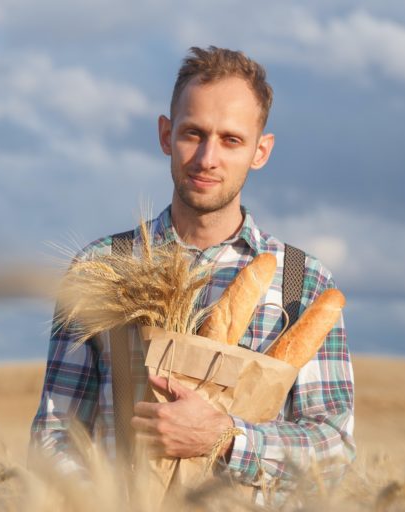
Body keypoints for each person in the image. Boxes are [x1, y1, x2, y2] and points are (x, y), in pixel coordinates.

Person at [29, 46, 355, 497]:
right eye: (193, 134)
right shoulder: (102, 267)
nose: (207, 158)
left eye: (231, 140)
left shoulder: (303, 281)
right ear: (166, 134)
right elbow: (56, 433)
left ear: (261, 151)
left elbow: (334, 449)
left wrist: (226, 438)